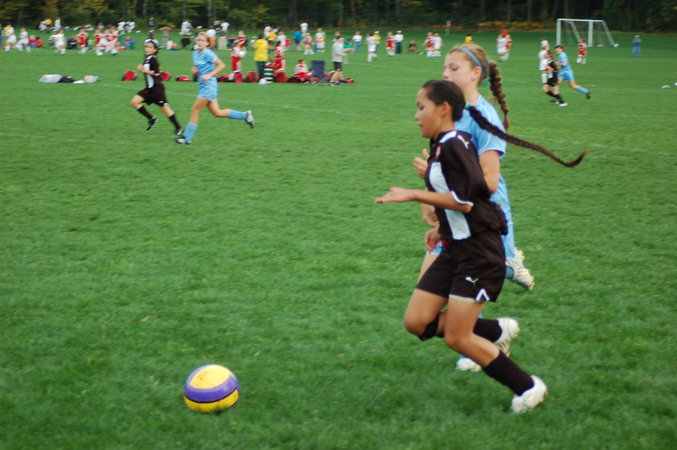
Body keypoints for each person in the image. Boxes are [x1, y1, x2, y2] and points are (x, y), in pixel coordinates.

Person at [376, 80, 548, 413]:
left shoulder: (456, 144)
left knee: (458, 337)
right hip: (454, 248)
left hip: (478, 254)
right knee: (417, 321)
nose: (416, 115)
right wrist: (441, 227)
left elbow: (466, 200)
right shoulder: (441, 145)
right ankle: (496, 330)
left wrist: (412, 194)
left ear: (443, 109)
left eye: (421, 107)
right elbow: (457, 196)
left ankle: (528, 387)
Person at [174, 32, 255, 145]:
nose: (200, 42)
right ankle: (245, 115)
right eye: (198, 40)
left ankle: (187, 138)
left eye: (202, 40)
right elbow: (199, 68)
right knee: (217, 113)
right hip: (203, 86)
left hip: (209, 86)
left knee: (194, 110)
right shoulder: (195, 54)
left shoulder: (208, 53)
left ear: (207, 43)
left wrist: (210, 74)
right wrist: (195, 70)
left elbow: (221, 65)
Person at [130, 39, 183, 136]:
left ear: (155, 50)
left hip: (157, 90)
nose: (147, 49)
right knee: (134, 102)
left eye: (150, 47)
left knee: (165, 109)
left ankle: (178, 127)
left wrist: (144, 70)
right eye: (146, 47)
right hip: (149, 89)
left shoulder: (153, 59)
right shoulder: (147, 58)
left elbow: (157, 73)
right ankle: (151, 118)